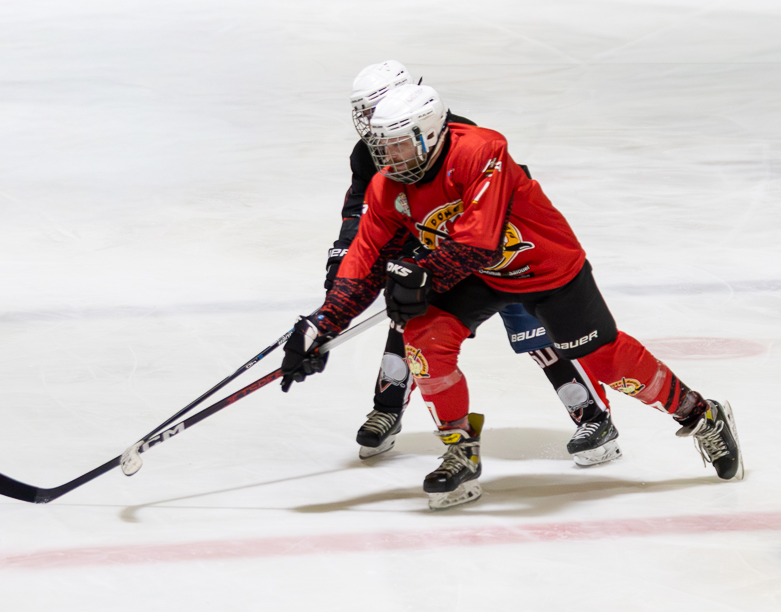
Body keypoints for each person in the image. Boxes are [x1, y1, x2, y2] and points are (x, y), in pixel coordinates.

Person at [283, 82, 743, 510]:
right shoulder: (389, 185)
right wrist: (321, 325)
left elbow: (478, 240)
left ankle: (701, 414)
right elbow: (364, 260)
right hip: (478, 275)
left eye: (398, 143)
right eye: (381, 147)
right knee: (422, 339)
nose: (388, 157)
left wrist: (421, 275)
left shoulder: (482, 149)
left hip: (545, 268)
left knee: (607, 362)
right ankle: (460, 452)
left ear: (427, 134)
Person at [331, 61, 619, 467]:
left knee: (537, 331)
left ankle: (591, 414)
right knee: (412, 324)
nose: (372, 124)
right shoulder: (370, 152)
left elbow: (484, 210)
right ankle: (388, 406)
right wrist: (343, 254)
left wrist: (438, 259)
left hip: (498, 251)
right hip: (436, 248)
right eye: (365, 112)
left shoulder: (455, 136)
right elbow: (361, 205)